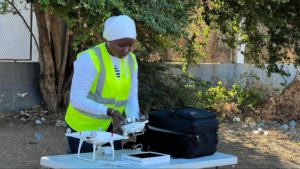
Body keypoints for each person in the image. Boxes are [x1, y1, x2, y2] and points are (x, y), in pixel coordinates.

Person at [65, 15, 140, 154]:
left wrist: (133, 121)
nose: (126, 50)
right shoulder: (90, 59)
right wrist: (109, 111)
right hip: (83, 128)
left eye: (130, 45)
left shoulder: (131, 60)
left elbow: (131, 95)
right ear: (109, 40)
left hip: (112, 126)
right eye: (121, 45)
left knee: (114, 163)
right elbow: (76, 99)